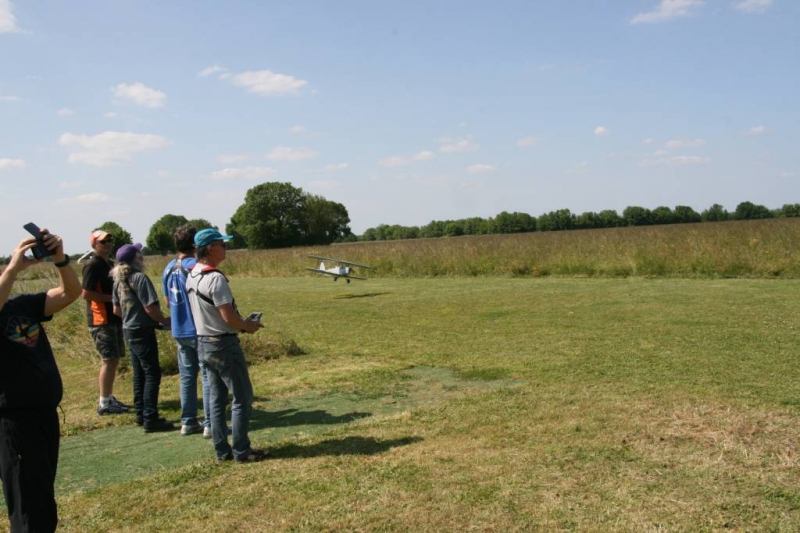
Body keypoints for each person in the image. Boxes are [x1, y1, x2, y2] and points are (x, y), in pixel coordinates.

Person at [0, 229, 81, 533]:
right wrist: (13, 267)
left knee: (41, 499)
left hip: (44, 416)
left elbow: (70, 293)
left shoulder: (22, 305)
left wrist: (60, 260)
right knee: (29, 508)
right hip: (13, 422)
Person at [185, 228, 268, 463]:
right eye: (223, 244)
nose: (225, 248)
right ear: (210, 248)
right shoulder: (215, 278)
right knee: (242, 397)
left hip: (203, 342)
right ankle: (242, 451)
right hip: (222, 343)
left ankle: (222, 450)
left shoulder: (192, 275)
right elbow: (228, 318)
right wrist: (247, 326)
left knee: (216, 399)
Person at [111, 243, 174, 433]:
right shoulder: (139, 278)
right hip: (142, 331)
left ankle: (141, 413)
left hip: (128, 330)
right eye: (140, 253)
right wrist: (164, 321)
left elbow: (116, 310)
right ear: (136, 258)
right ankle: (150, 417)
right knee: (152, 373)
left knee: (139, 373)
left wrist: (131, 318)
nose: (142, 255)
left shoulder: (118, 281)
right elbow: (150, 308)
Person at [161, 225, 208, 436]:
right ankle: (210, 422)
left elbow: (167, 301)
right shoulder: (194, 266)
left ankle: (188, 421)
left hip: (179, 329)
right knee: (208, 376)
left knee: (187, 377)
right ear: (194, 245)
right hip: (197, 329)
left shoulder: (168, 267)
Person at [81, 230, 130, 415]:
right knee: (108, 360)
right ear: (94, 245)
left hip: (113, 318)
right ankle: (104, 402)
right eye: (103, 242)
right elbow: (86, 293)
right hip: (100, 319)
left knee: (114, 358)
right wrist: (112, 299)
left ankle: (108, 397)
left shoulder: (108, 263)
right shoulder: (92, 264)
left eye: (110, 240)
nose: (108, 244)